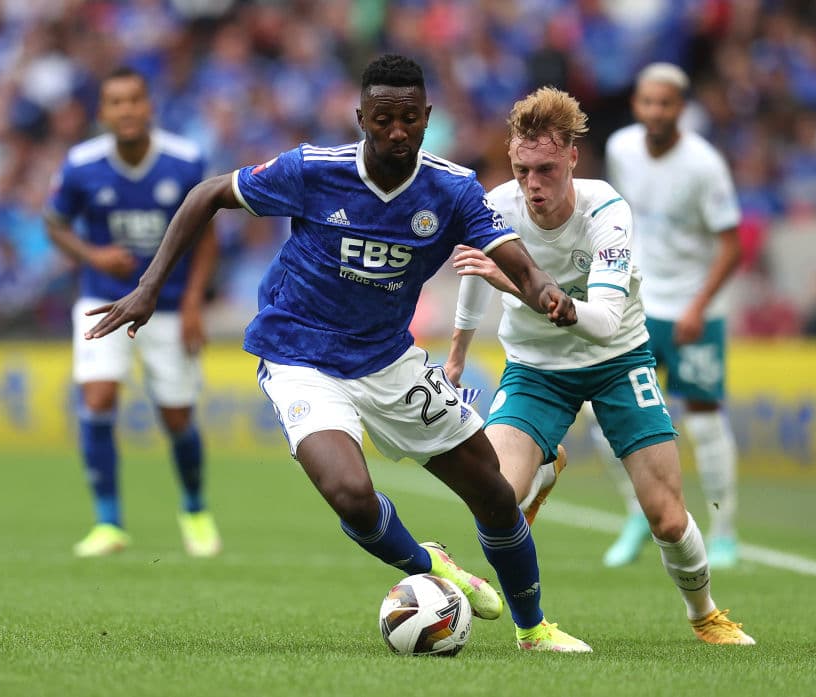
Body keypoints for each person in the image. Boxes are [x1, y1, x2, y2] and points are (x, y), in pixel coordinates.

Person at [82, 54, 590, 653]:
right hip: (300, 357)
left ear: (427, 118)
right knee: (350, 492)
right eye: (382, 119)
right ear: (360, 118)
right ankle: (428, 564)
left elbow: (522, 268)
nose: (396, 131)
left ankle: (534, 630)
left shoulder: (451, 190)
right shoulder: (311, 171)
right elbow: (206, 194)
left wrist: (548, 292)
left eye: (408, 118)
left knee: (495, 494)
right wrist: (147, 287)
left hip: (389, 360)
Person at [445, 86, 755, 645]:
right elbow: (474, 270)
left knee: (665, 515)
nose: (532, 185)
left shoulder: (607, 210)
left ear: (571, 157)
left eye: (544, 169)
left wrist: (518, 282)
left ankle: (706, 614)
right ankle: (542, 469)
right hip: (537, 367)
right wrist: (457, 356)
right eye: (521, 171)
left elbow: (605, 321)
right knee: (492, 499)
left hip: (617, 360)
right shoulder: (495, 205)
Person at [44, 66, 222, 558]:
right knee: (98, 401)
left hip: (167, 306)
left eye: (134, 101)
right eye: (115, 103)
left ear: (149, 107)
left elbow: (208, 237)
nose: (126, 110)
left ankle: (195, 510)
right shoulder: (81, 165)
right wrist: (91, 255)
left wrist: (192, 305)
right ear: (102, 113)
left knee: (177, 416)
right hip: (102, 300)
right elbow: (53, 221)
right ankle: (108, 523)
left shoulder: (185, 161)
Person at [600, 63, 744, 569]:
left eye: (665, 103)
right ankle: (640, 511)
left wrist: (698, 308)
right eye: (647, 102)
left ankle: (724, 532)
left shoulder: (704, 165)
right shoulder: (620, 149)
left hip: (693, 309)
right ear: (637, 104)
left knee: (703, 421)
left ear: (680, 108)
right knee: (606, 417)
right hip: (636, 302)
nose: (655, 111)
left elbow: (732, 245)